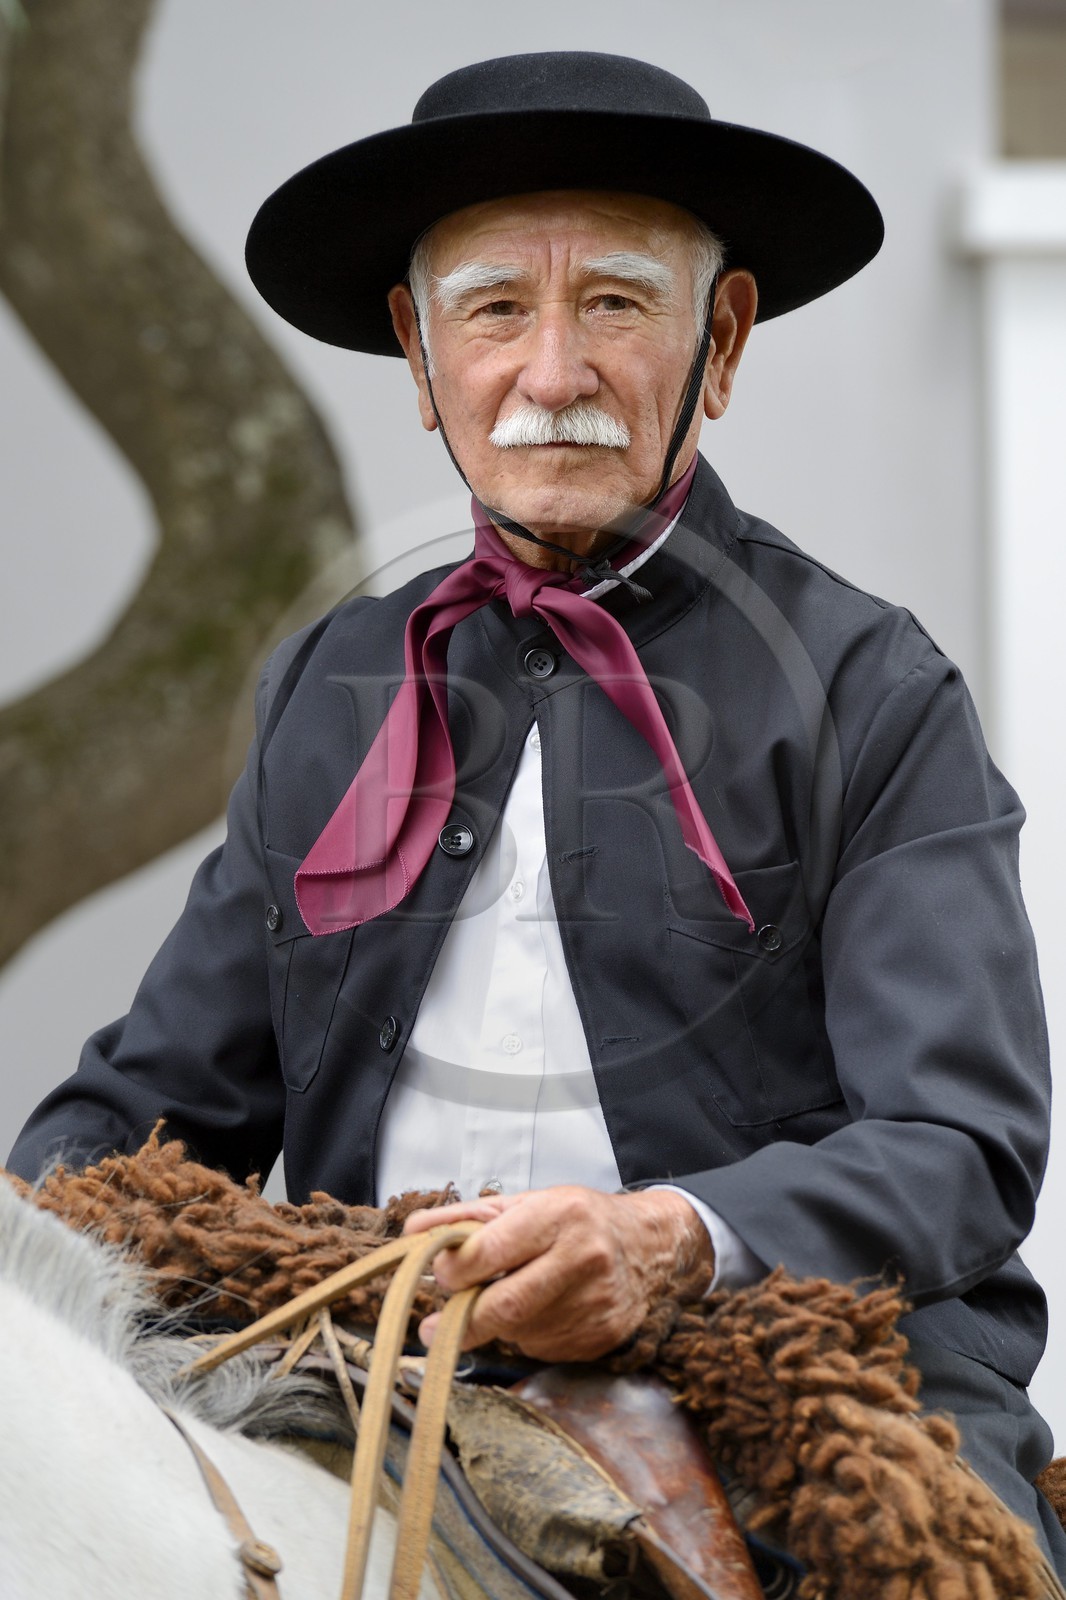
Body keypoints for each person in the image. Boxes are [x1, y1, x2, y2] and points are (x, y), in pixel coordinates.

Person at [8, 50, 1063, 1571]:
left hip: (791, 1367)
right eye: (496, 309)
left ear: (721, 344)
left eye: (618, 305)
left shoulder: (869, 684)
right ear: (421, 356)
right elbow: (163, 1093)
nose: (552, 373)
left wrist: (666, 1243)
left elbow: (957, 1143)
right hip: (360, 1349)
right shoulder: (333, 677)